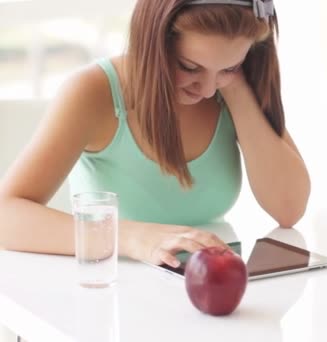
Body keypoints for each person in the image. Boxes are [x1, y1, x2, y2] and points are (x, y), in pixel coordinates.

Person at [0, 0, 310, 269]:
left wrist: (239, 89)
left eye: (229, 67)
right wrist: (135, 238)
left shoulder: (225, 90)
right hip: (111, 291)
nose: (206, 89)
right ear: (153, 42)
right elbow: (6, 216)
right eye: (189, 67)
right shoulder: (93, 92)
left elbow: (288, 209)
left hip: (201, 293)